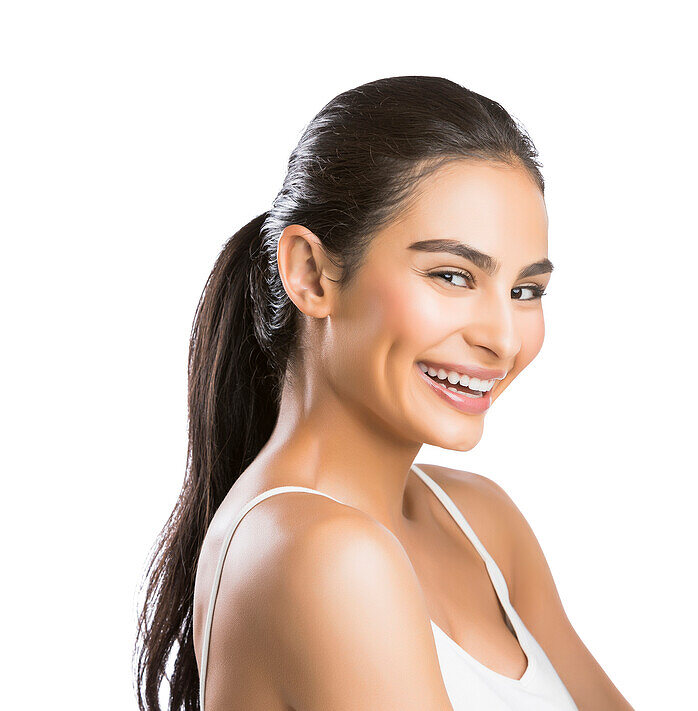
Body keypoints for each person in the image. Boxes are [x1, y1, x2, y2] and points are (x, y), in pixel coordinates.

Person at [134, 76, 634, 711]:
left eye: (525, 290)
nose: (503, 339)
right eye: (452, 276)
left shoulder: (482, 523)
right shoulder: (320, 554)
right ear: (312, 275)